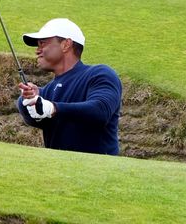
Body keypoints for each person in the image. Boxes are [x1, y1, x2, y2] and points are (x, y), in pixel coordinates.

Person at [16, 18, 122, 155]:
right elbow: (33, 119)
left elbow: (100, 111)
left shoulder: (100, 74)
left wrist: (53, 108)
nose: (37, 51)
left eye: (42, 44)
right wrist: (27, 99)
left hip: (98, 172)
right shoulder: (48, 91)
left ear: (66, 44)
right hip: (58, 173)